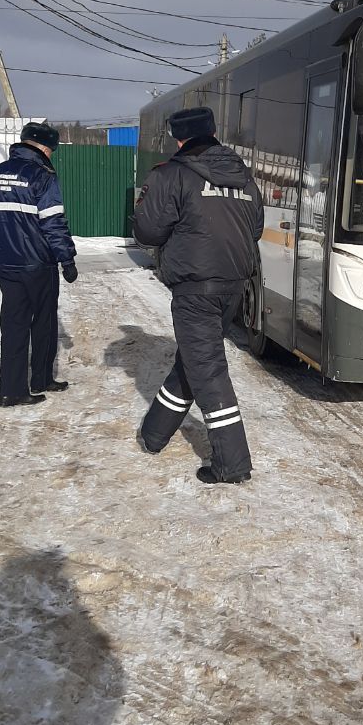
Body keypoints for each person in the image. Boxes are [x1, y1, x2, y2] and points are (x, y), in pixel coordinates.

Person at [132, 106, 263, 484]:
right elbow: (254, 229)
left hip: (195, 289)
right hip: (232, 287)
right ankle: (154, 435)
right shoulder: (244, 178)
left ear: (178, 137)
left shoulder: (172, 174)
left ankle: (232, 463)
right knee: (193, 362)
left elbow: (148, 231)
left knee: (208, 372)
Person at [0, 121, 78, 408]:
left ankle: (11, 391)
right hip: (38, 265)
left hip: (7, 265)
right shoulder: (42, 176)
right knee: (43, 323)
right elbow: (53, 223)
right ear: (45, 148)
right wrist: (66, 258)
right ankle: (41, 379)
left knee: (13, 327)